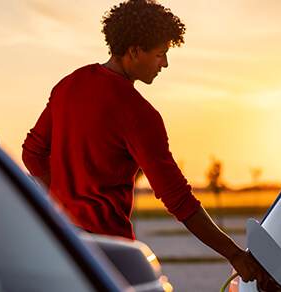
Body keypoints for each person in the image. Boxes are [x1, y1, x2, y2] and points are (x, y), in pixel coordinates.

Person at [21, 0, 265, 283]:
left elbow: (33, 156)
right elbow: (178, 198)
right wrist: (234, 254)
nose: (165, 63)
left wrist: (65, 203)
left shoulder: (68, 85)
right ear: (135, 51)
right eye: (160, 54)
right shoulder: (139, 115)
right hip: (111, 254)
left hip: (62, 242)